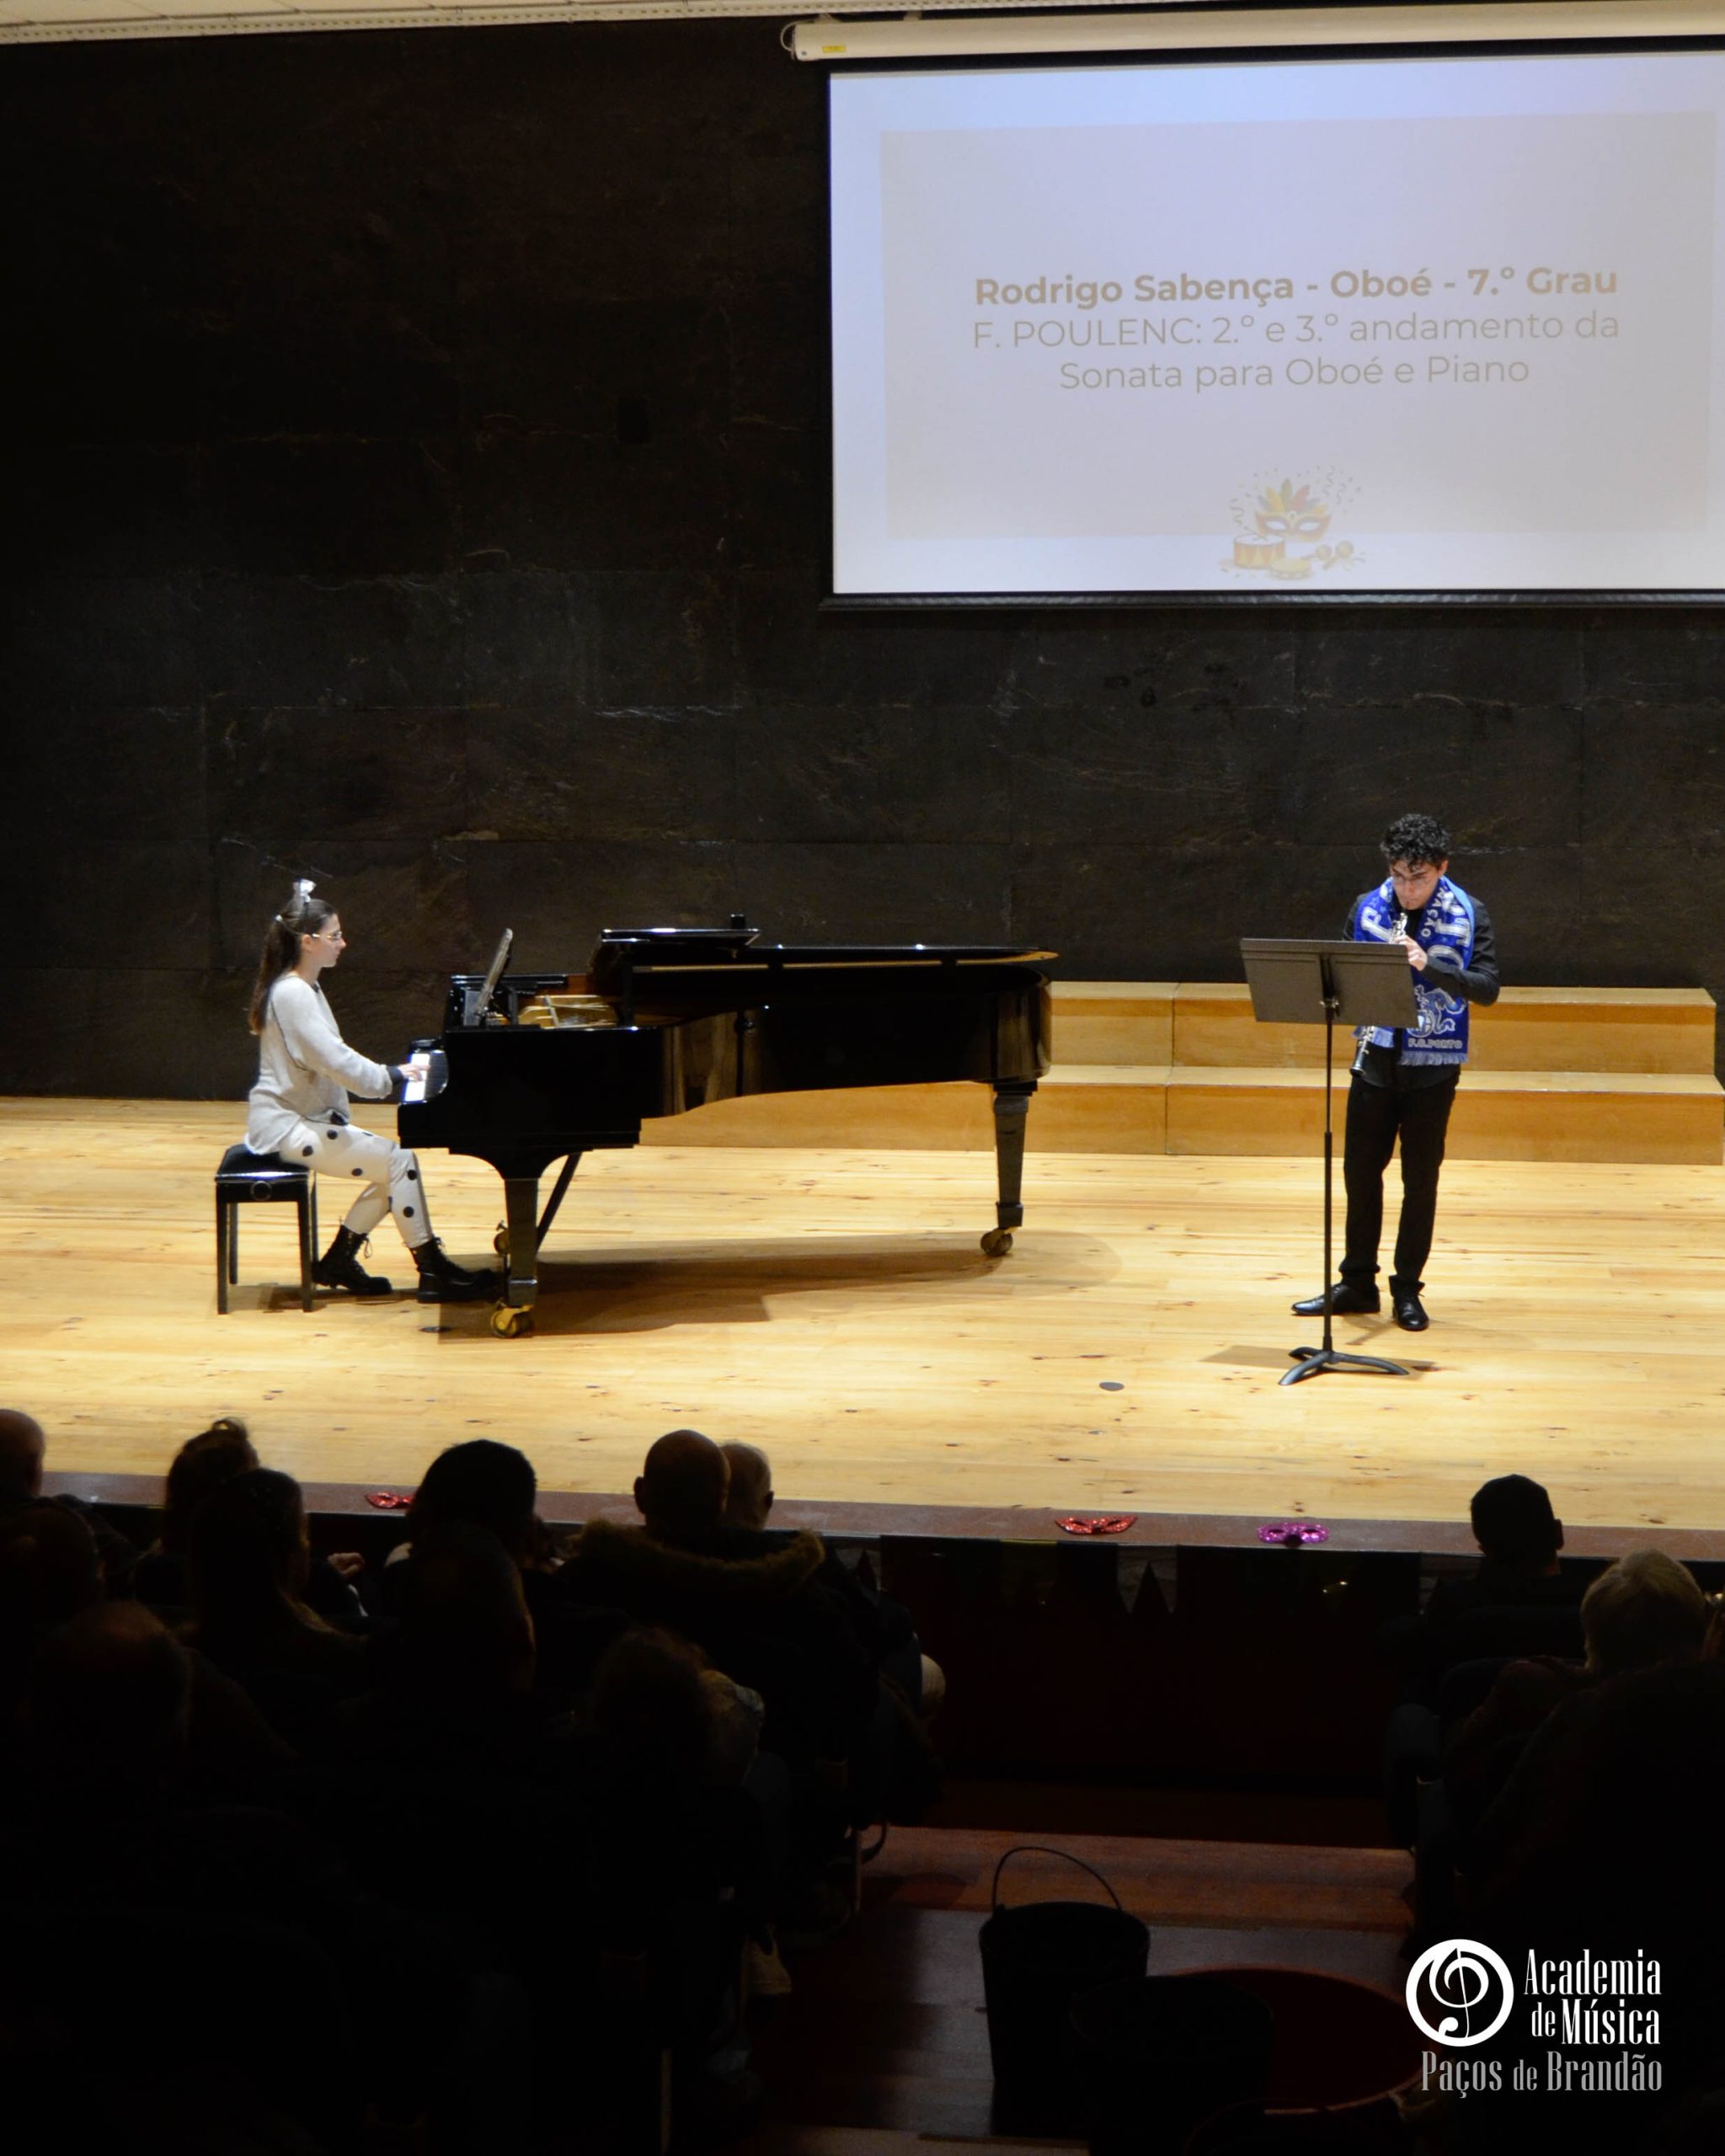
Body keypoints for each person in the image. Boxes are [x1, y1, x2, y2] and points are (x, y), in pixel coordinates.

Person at [1292, 812, 1498, 1331]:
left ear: (1442, 868)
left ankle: (1407, 1289)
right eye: (1399, 876)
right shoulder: (1368, 908)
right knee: (1360, 1175)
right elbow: (1338, 979)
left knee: (1419, 1180)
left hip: (1433, 1069)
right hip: (1375, 1062)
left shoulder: (1470, 912)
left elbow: (1487, 988)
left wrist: (1429, 964)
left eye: (1419, 878)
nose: (1407, 890)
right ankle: (1358, 1283)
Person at [247, 879, 490, 1301]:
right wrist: (391, 1076)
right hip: (287, 1128)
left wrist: (389, 1076)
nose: (343, 943)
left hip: (298, 1119)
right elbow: (335, 1059)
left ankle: (339, 1261)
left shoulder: (303, 987)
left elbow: (332, 1056)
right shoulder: (293, 994)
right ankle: (432, 1270)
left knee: (394, 1167)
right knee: (399, 1162)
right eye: (335, 936)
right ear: (308, 942)